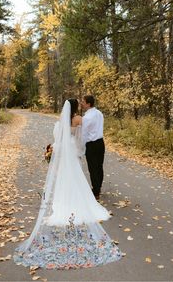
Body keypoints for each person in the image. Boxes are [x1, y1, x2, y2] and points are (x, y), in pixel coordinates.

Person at [13, 99, 121, 269]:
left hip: (62, 150)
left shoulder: (60, 120)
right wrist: (80, 150)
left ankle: (64, 201)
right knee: (76, 176)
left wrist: (53, 149)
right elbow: (81, 136)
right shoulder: (78, 119)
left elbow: (57, 137)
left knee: (64, 177)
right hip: (71, 150)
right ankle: (81, 200)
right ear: (77, 107)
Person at [81, 95, 105, 200]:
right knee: (99, 167)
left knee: (93, 168)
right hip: (101, 143)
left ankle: (95, 192)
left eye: (83, 101)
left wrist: (81, 147)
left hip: (91, 144)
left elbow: (84, 134)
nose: (81, 103)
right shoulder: (99, 113)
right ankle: (98, 188)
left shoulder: (86, 118)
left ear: (88, 104)